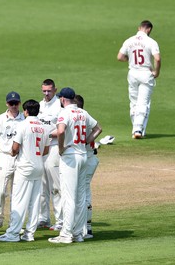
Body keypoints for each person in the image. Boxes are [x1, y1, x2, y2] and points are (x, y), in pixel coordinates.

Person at [48, 87, 102, 244]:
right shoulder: (82, 113)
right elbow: (98, 128)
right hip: (83, 155)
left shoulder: (64, 113)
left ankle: (66, 234)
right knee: (80, 196)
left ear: (63, 99)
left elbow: (61, 130)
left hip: (70, 157)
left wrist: (61, 147)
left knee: (69, 197)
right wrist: (85, 141)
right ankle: (78, 233)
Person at [0, 100, 49, 242]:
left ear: (25, 111)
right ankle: (29, 234)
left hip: (24, 167)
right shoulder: (44, 126)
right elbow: (46, 149)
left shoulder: (23, 125)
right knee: (34, 201)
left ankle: (13, 234)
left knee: (19, 201)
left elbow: (15, 148)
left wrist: (14, 153)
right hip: (39, 167)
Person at [117, 20, 161, 139]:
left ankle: (136, 129)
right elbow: (157, 59)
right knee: (143, 102)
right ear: (149, 29)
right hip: (145, 73)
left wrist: (128, 58)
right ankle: (138, 129)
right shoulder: (151, 42)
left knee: (134, 102)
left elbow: (120, 57)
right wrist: (156, 72)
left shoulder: (129, 40)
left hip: (132, 73)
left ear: (139, 28)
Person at [0, 91, 25, 231]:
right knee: (0, 191)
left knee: (17, 191)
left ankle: (14, 222)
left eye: (16, 103)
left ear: (20, 103)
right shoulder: (0, 119)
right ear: (7, 104)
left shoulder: (24, 119)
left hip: (20, 157)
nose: (14, 106)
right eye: (11, 103)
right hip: (4, 156)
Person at [37, 79, 63, 231]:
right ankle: (43, 218)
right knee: (42, 186)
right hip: (41, 149)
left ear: (55, 90)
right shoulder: (40, 106)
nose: (46, 94)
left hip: (53, 148)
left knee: (56, 186)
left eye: (49, 91)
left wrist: (46, 135)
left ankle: (60, 220)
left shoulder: (59, 106)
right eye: (44, 91)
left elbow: (61, 129)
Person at [74, 94, 99, 239]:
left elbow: (98, 129)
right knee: (84, 193)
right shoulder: (86, 118)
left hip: (87, 159)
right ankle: (87, 228)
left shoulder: (80, 119)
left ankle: (84, 229)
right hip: (90, 159)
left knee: (82, 194)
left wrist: (84, 143)